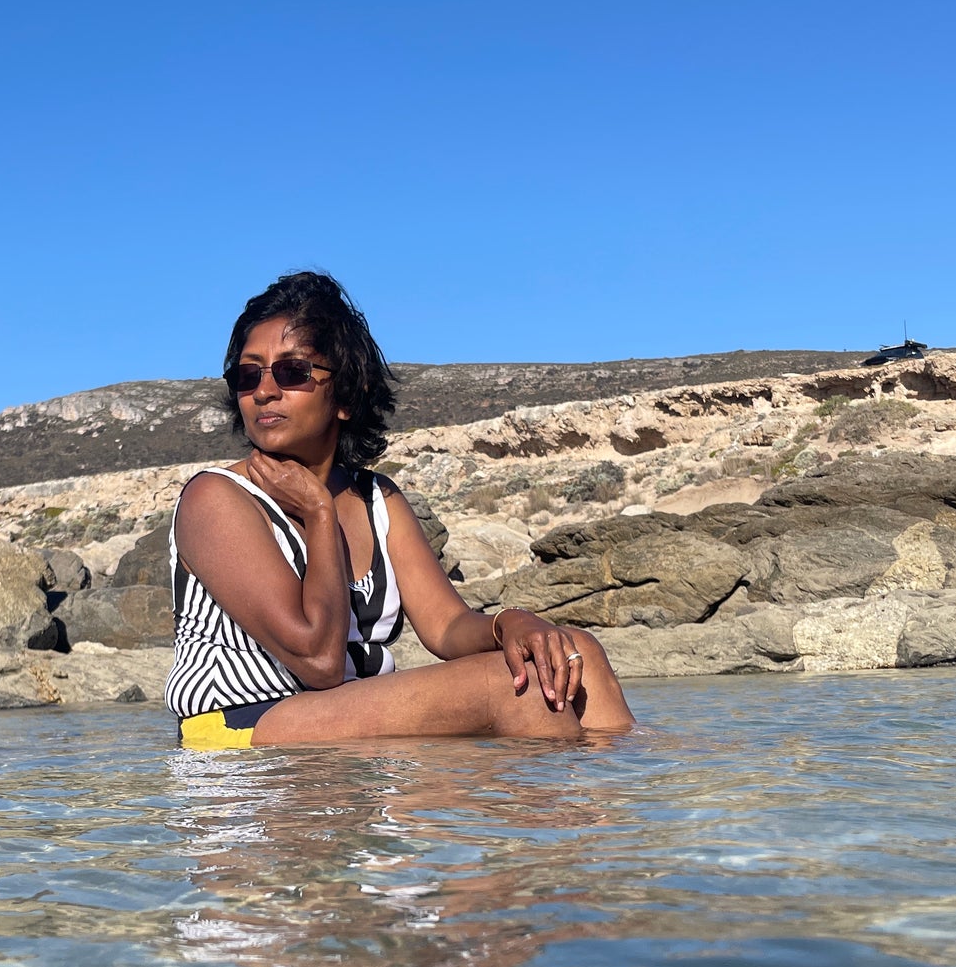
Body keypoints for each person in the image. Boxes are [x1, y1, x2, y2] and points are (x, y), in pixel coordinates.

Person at [165, 271, 636, 749]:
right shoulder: (216, 498)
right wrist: (320, 514)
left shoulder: (377, 499)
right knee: (514, 687)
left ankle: (626, 813)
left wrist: (512, 622)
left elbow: (447, 626)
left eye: (292, 372)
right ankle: (567, 813)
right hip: (239, 739)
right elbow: (318, 659)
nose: (264, 391)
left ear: (346, 395)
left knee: (576, 656)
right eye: (249, 375)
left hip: (345, 732)